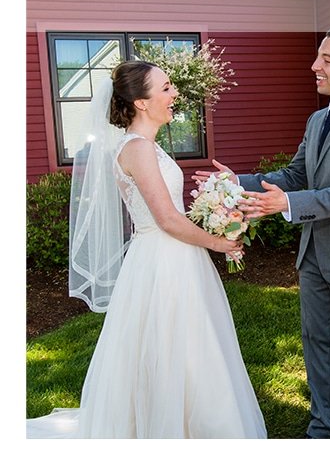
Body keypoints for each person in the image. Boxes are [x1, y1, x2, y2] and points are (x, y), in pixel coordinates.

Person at [27, 62, 266, 438]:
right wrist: (220, 242)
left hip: (172, 255)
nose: (175, 96)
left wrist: (214, 211)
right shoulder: (137, 149)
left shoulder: (144, 146)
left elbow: (171, 214)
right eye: (167, 89)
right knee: (172, 343)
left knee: (185, 345)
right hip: (163, 259)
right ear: (141, 102)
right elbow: (168, 220)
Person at [207, 25, 330, 439]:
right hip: (313, 257)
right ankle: (324, 428)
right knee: (319, 346)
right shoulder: (317, 120)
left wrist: (288, 206)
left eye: (326, 60)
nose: (314, 66)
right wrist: (238, 183)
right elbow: (297, 174)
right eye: (317, 58)